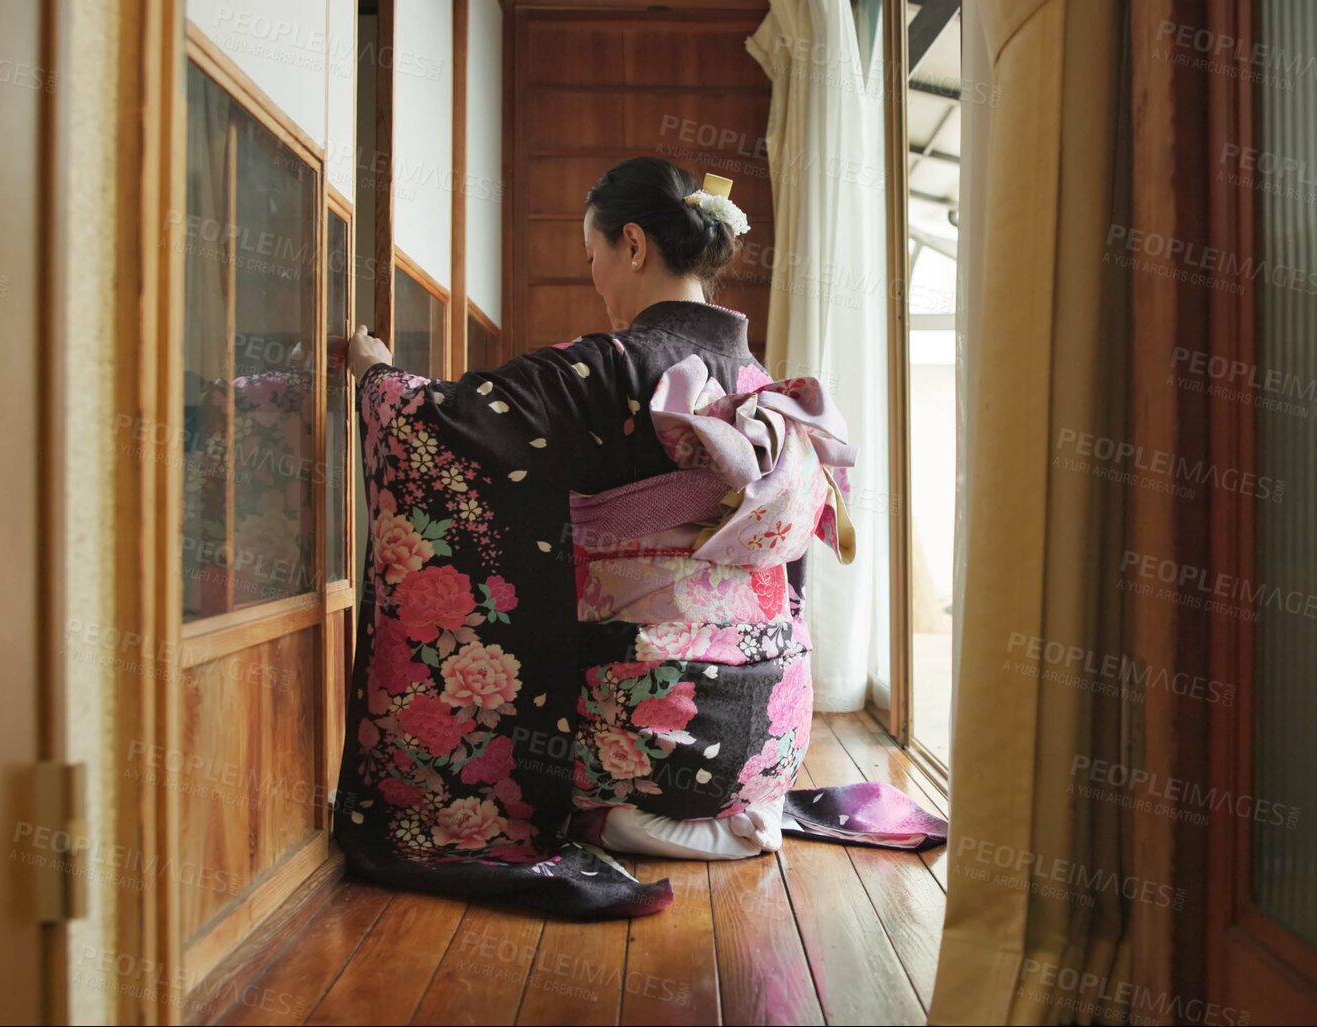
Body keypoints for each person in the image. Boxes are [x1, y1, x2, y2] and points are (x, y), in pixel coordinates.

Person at [334, 157, 941, 918]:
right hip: (769, 745)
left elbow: (444, 427)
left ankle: (619, 809)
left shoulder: (600, 367)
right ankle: (715, 813)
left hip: (651, 746)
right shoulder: (764, 385)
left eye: (593, 259)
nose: (596, 281)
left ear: (631, 245)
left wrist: (377, 376)